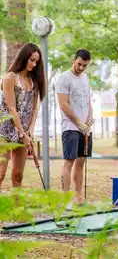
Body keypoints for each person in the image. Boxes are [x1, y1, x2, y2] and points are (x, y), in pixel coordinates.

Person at [0, 43, 46, 191]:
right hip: (4, 132)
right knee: (0, 173)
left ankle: (19, 212)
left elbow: (34, 108)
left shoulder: (34, 82)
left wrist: (30, 131)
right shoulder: (9, 78)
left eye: (36, 61)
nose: (33, 64)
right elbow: (12, 109)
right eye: (31, 59)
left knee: (18, 175)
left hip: (24, 132)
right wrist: (22, 132)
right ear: (23, 57)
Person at [56, 49, 93, 208]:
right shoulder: (64, 78)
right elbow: (63, 104)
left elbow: (88, 100)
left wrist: (90, 118)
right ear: (73, 60)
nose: (81, 68)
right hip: (70, 127)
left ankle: (79, 197)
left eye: (84, 65)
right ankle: (65, 199)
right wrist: (78, 122)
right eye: (79, 64)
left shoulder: (85, 78)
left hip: (85, 128)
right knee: (69, 162)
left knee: (81, 162)